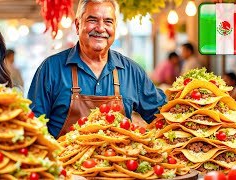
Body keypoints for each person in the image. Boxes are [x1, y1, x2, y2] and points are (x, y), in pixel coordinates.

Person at [28, 0, 167, 138]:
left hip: (119, 160)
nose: (101, 28)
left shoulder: (132, 72)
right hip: (63, 159)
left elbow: (164, 116)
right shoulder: (51, 69)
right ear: (77, 25)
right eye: (93, 20)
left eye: (108, 22)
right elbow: (33, 127)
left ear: (115, 28)